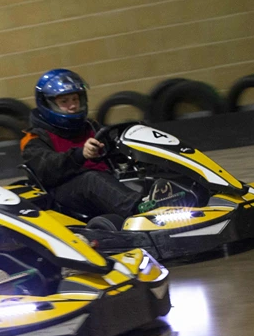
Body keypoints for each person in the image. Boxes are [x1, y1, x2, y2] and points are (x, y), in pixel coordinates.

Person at [21, 68, 190, 221]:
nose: (72, 106)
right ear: (48, 104)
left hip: (105, 184)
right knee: (91, 178)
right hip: (66, 194)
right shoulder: (35, 138)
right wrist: (80, 154)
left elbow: (113, 152)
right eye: (64, 101)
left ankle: (190, 190)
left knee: (145, 163)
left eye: (75, 99)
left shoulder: (90, 126)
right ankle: (142, 209)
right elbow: (48, 168)